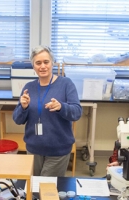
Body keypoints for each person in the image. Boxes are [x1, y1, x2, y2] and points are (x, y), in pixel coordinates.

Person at [13, 45, 82, 176]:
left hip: (58, 150)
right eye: (38, 63)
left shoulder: (66, 84)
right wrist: (23, 107)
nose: (42, 66)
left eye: (46, 62)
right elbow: (17, 119)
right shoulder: (29, 87)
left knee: (46, 189)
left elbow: (77, 112)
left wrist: (61, 107)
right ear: (33, 66)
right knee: (33, 189)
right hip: (33, 149)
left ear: (52, 63)